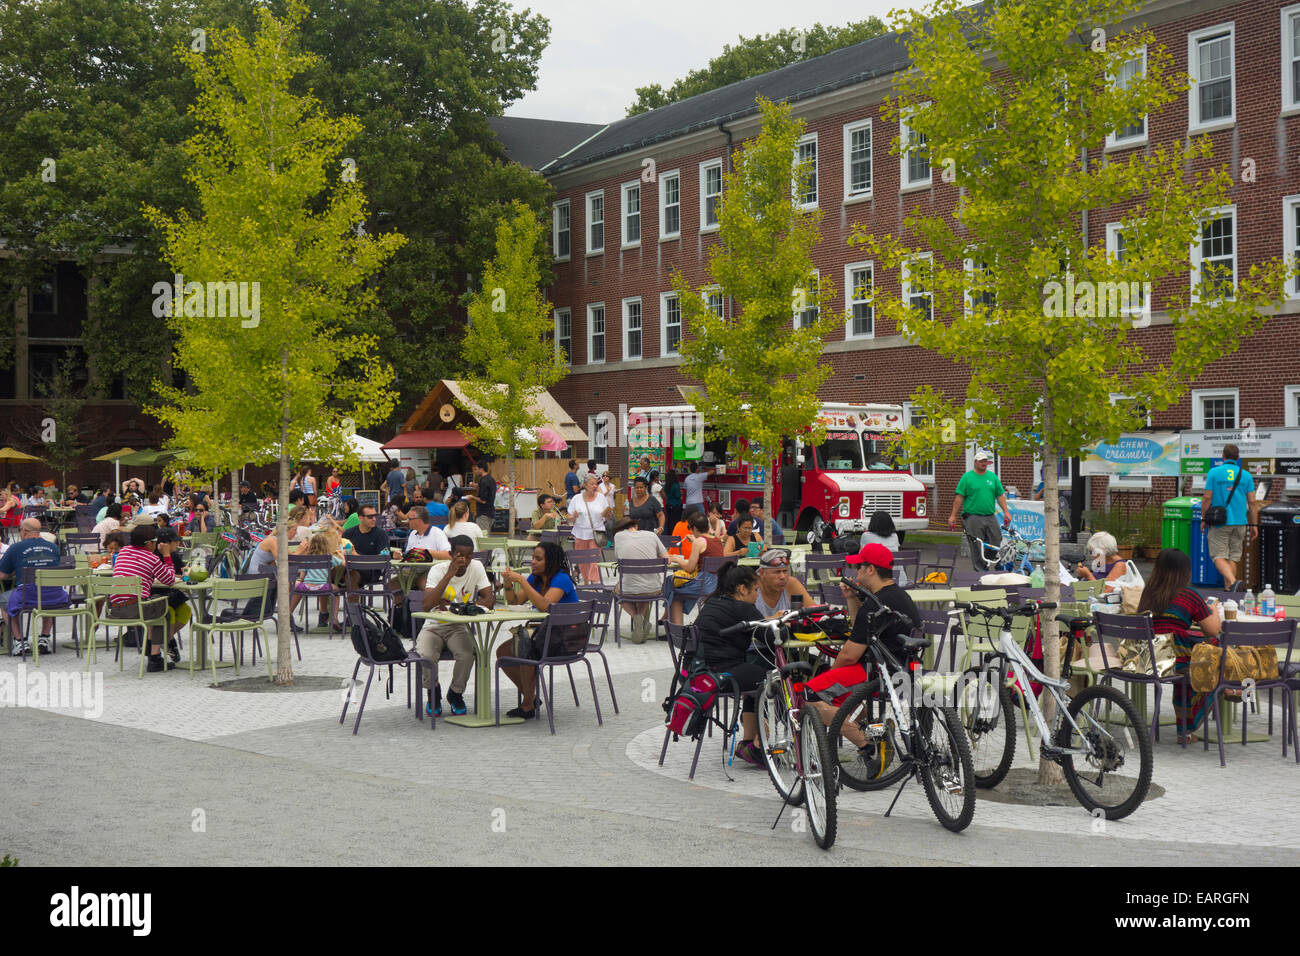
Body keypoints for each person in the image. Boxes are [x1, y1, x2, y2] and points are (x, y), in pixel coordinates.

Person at [806, 542, 920, 759]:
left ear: (871, 569)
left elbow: (850, 655)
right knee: (841, 692)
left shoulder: (875, 604)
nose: (855, 572)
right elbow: (864, 631)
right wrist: (851, 598)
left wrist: (831, 676)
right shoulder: (898, 596)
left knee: (812, 694)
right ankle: (875, 732)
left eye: (858, 567)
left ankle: (869, 744)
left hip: (876, 673)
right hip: (901, 670)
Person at [1137, 548, 1221, 744]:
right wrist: (1213, 610)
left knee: (1189, 653)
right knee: (1214, 649)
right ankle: (1229, 689)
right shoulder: (1189, 595)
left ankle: (1186, 730)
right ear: (1185, 571)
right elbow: (1213, 630)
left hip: (1149, 660)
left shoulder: (1148, 592)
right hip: (1176, 663)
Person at [692, 561, 768, 766]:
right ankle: (760, 747)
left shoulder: (713, 602)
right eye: (755, 590)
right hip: (721, 676)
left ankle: (747, 742)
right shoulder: (743, 608)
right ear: (742, 589)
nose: (757, 596)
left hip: (698, 674)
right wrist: (781, 622)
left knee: (758, 674)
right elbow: (772, 636)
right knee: (771, 679)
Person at [497, 542, 580, 719]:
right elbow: (514, 603)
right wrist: (508, 584)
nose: (533, 562)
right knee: (503, 652)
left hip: (566, 639)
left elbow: (545, 606)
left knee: (525, 649)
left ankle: (528, 704)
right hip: (546, 634)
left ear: (550, 562)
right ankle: (531, 698)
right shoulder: (535, 579)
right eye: (533, 557)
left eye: (538, 559)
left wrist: (521, 580)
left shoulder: (561, 578)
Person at [416, 536, 494, 717]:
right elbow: (426, 605)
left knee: (467, 654)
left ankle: (455, 693)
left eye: (468, 556)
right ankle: (433, 691)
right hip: (433, 625)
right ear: (451, 555)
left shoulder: (476, 567)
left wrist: (468, 607)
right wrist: (450, 574)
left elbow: (489, 600)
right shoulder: (438, 570)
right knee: (427, 655)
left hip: (458, 626)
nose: (464, 561)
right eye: (460, 556)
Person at [109, 524, 184, 671]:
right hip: (135, 608)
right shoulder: (151, 558)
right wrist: (167, 555)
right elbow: (169, 580)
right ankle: (154, 658)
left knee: (153, 606)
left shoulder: (123, 552)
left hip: (115, 609)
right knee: (164, 612)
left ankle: (150, 650)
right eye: (155, 542)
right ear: (149, 543)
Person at [0, 517, 67, 656]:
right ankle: (44, 638)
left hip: (28, 596)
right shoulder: (53, 547)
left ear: (24, 531)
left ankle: (19, 641)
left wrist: (14, 571)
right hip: (55, 596)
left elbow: (3, 576)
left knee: (4, 600)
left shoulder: (15, 547)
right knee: (46, 591)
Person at [1200, 443, 1258, 592]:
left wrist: (1203, 519)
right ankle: (1229, 591)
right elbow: (1252, 502)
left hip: (1220, 522)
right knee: (1233, 557)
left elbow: (1207, 498)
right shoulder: (1246, 475)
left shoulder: (1214, 472)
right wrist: (1254, 525)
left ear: (1223, 456)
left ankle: (1232, 582)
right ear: (1238, 458)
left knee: (1218, 556)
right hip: (1240, 523)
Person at [948, 450, 1013, 570]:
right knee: (977, 545)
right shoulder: (967, 477)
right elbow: (959, 497)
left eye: (986, 461)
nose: (984, 463)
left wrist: (1006, 511)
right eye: (982, 461)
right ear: (975, 462)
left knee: (996, 539)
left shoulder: (992, 477)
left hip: (990, 516)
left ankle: (986, 563)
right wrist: (953, 516)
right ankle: (980, 571)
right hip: (973, 517)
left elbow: (1000, 495)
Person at [612, 516, 668, 643]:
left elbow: (619, 558)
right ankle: (641, 618)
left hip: (628, 588)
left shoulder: (618, 537)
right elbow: (666, 558)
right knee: (646, 589)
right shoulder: (651, 535)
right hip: (652, 589)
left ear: (620, 530)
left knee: (616, 591)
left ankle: (636, 617)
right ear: (636, 526)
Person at [664, 512, 717, 625]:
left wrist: (677, 559)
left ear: (695, 528)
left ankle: (676, 628)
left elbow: (689, 568)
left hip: (704, 583)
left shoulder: (698, 542)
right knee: (674, 585)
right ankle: (666, 618)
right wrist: (694, 541)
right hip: (718, 583)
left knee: (673, 590)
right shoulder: (716, 539)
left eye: (691, 529)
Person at [567, 472, 612, 585]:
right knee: (582, 559)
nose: (595, 486)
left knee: (593, 559)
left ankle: (594, 583)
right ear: (585, 485)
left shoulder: (601, 498)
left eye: (596, 484)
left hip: (596, 532)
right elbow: (569, 518)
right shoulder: (577, 498)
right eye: (591, 484)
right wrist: (574, 516)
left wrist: (608, 514)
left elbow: (605, 515)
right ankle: (586, 581)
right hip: (580, 532)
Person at [753, 548, 814, 617]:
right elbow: (743, 621)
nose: (782, 577)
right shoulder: (752, 587)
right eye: (777, 572)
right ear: (761, 573)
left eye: (785, 571)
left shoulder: (791, 585)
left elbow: (813, 612)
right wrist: (774, 619)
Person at [342, 503, 389, 592]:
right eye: (370, 517)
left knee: (351, 576)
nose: (374, 519)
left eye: (375, 516)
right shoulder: (349, 533)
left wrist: (362, 559)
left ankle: (353, 605)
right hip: (349, 567)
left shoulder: (380, 534)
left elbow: (385, 552)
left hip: (371, 569)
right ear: (360, 518)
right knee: (333, 572)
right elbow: (341, 550)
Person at [860, 510, 908, 586]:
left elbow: (861, 557)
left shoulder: (866, 536)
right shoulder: (894, 536)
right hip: (899, 579)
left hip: (875, 581)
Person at [464, 460, 498, 532]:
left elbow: (483, 500)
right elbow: (486, 490)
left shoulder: (483, 481)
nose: (475, 472)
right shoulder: (491, 479)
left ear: (481, 469)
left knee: (483, 537)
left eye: (476, 469)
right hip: (491, 512)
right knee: (485, 535)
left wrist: (472, 497)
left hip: (483, 514)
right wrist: (476, 486)